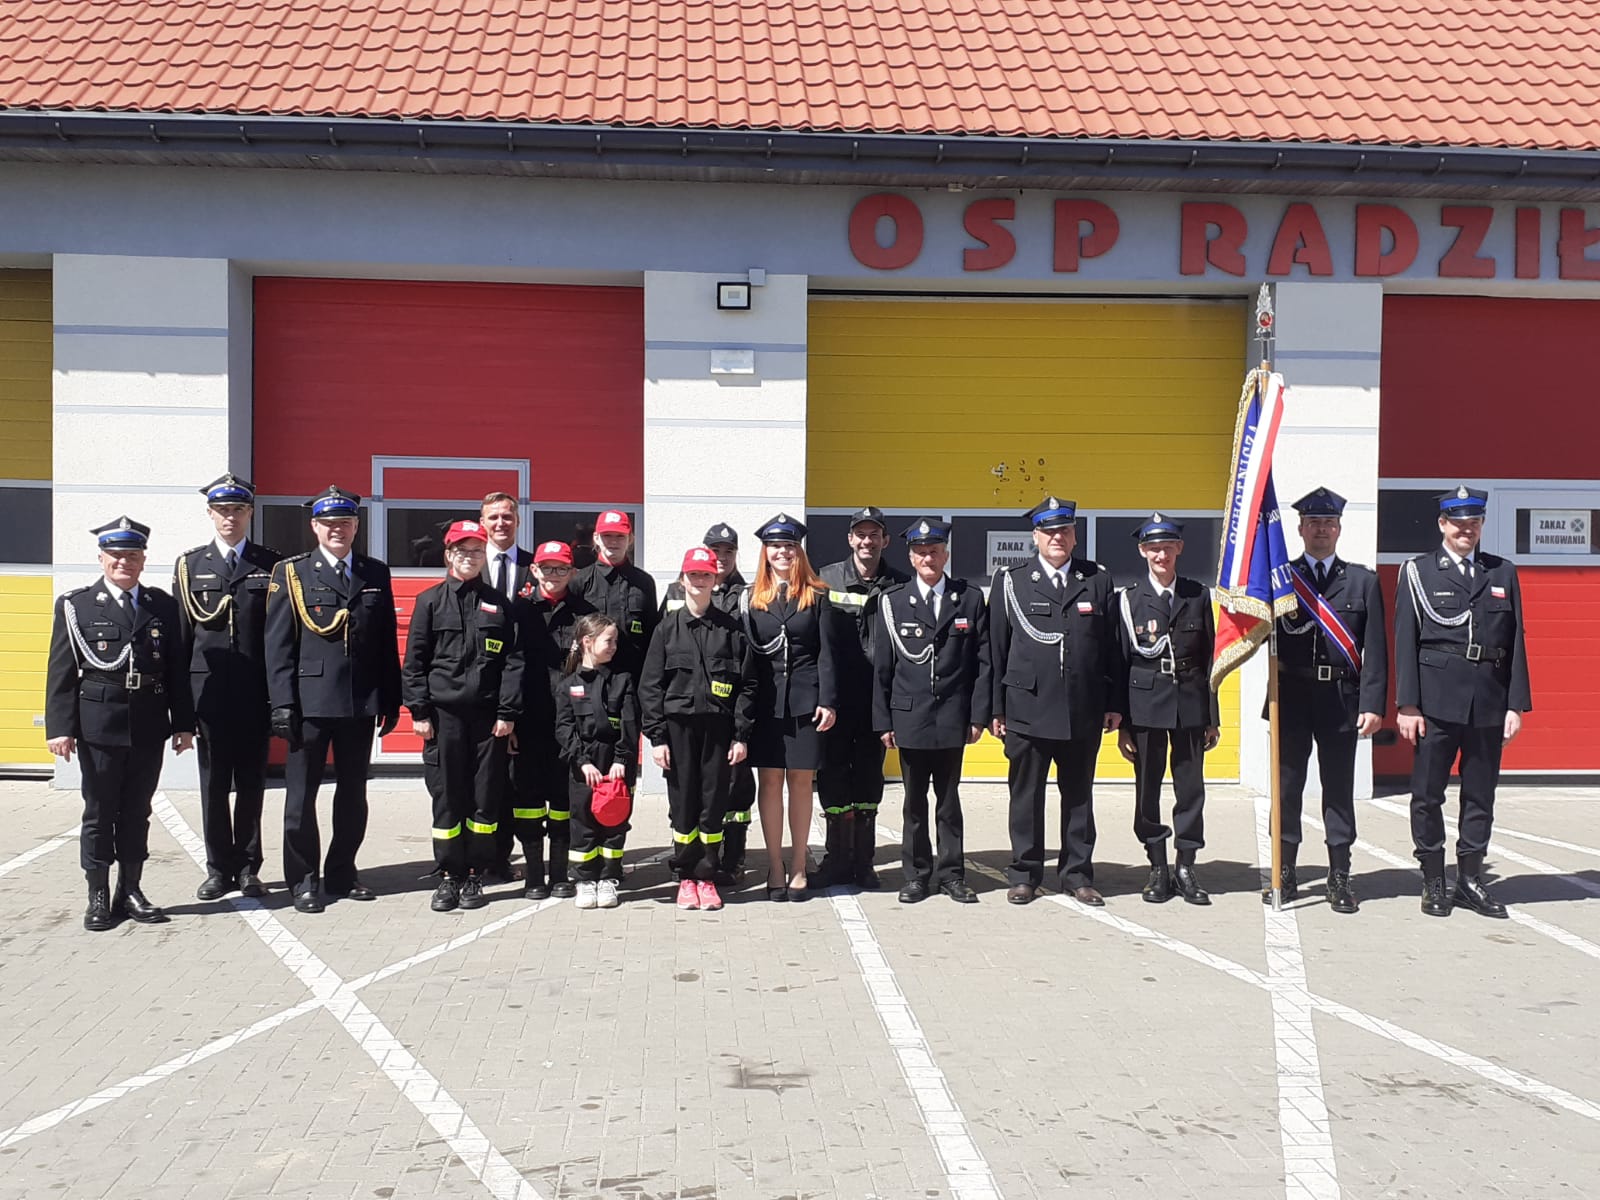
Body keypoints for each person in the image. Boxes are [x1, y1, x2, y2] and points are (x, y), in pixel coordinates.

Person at [46, 517, 195, 931]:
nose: (123, 562)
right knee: (99, 811)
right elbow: (61, 670)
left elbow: (177, 670)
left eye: (132, 555)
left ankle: (130, 890)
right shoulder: (76, 605)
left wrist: (183, 724)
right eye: (116, 555)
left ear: (143, 560)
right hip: (98, 723)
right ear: (101, 558)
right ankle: (97, 894)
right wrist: (59, 727)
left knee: (137, 811)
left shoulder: (162, 606)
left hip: (148, 720)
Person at [1395, 486, 1531, 919]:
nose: (1465, 530)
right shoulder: (1419, 572)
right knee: (1427, 794)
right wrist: (1408, 705)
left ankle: (1470, 880)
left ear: (1482, 524)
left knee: (1480, 795)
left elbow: (1516, 641)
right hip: (1436, 702)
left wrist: (1515, 705)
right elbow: (1405, 641)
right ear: (1442, 524)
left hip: (1488, 701)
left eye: (1473, 522)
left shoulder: (1502, 572)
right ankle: (1434, 877)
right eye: (1458, 522)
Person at [265, 485, 401, 914]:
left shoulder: (374, 573)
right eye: (329, 523)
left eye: (345, 522)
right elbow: (278, 645)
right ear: (315, 527)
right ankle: (303, 880)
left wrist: (390, 698)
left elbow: (385, 642)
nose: (337, 529)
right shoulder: (292, 573)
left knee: (353, 794)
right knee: (300, 798)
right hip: (308, 704)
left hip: (359, 702)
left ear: (356, 527)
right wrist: (282, 703)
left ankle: (342, 872)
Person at [989, 496, 1123, 907]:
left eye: (1064, 530)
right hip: (1027, 708)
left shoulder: (1096, 580)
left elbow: (1112, 648)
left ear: (1074, 535)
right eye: (1049, 532)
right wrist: (996, 709)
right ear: (1035, 537)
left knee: (1079, 796)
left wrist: (1114, 703)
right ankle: (1024, 874)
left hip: (1082, 709)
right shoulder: (1011, 581)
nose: (1057, 538)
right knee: (1026, 797)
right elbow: (995, 650)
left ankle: (1077, 874)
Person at [1268, 486, 1388, 914]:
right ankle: (1285, 871)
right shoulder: (1280, 580)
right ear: (1300, 529)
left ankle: (1339, 874)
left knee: (1338, 789)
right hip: (1291, 698)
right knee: (1286, 789)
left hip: (1341, 699)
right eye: (1314, 522)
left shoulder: (1362, 581)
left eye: (1329, 523)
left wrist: (1372, 704)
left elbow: (1376, 650)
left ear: (1339, 529)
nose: (1321, 529)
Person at [403, 520, 524, 913]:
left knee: (485, 799)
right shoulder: (429, 601)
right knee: (448, 798)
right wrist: (419, 711)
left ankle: (475, 873)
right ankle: (449, 875)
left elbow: (513, 662)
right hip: (443, 718)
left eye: (476, 551)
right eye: (462, 550)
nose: (469, 557)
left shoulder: (498, 604)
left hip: (488, 720)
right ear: (448, 555)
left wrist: (507, 712)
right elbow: (414, 661)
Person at [173, 473, 283, 901]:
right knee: (214, 785)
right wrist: (182, 714)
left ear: (250, 513)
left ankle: (249, 868)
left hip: (255, 694)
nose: (230, 518)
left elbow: (279, 639)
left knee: (253, 784)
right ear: (210, 514)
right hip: (210, 696)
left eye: (237, 509)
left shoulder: (270, 564)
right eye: (222, 510)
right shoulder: (190, 566)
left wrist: (279, 699)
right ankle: (218, 869)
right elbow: (182, 643)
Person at [872, 519, 990, 904]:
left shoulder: (969, 599)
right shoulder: (893, 602)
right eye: (921, 553)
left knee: (949, 801)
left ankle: (952, 875)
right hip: (910, 717)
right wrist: (883, 721)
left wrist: (978, 716)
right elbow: (884, 667)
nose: (928, 558)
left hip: (953, 716)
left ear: (946, 555)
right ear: (911, 557)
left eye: (934, 552)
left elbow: (982, 663)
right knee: (914, 803)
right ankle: (916, 876)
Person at [641, 546, 758, 911]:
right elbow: (650, 686)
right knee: (683, 805)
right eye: (693, 575)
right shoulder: (666, 629)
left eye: (706, 574)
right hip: (678, 731)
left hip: (718, 731)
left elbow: (748, 686)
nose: (699, 581)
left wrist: (740, 735)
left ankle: (706, 877)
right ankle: (686, 878)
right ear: (683, 579)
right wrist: (657, 738)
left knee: (713, 804)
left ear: (714, 579)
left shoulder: (731, 630)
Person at [1114, 515, 1220, 905]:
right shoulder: (1128, 600)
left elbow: (1210, 659)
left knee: (1190, 789)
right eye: (1154, 548)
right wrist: (1123, 724)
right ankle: (1157, 865)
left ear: (1179, 549)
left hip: (1190, 702)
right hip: (1144, 705)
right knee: (1148, 788)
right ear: (1143, 551)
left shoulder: (1197, 595)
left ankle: (1186, 865)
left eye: (1168, 547)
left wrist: (1212, 717)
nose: (1162, 555)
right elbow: (1119, 662)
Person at [741, 514, 838, 901]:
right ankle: (775, 865)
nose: (782, 552)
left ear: (799, 552)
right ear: (765, 553)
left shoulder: (817, 595)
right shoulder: (751, 598)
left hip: (805, 703)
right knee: (769, 782)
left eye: (789, 546)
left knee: (800, 782)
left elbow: (827, 653)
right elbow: (748, 658)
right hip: (766, 704)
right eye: (775, 546)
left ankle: (798, 864)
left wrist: (827, 700)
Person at [817, 506, 909, 889]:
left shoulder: (900, 584)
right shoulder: (826, 579)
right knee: (833, 776)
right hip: (837, 699)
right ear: (850, 539)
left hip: (878, 700)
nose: (867, 541)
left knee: (870, 778)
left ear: (885, 540)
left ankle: (864, 863)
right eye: (861, 534)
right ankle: (836, 860)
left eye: (874, 534)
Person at [511, 540, 595, 899]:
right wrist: (509, 718)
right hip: (529, 721)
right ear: (534, 570)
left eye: (561, 568)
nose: (553, 575)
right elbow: (508, 667)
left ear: (572, 572)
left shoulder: (584, 615)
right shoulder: (519, 611)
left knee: (563, 800)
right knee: (528, 801)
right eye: (547, 568)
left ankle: (559, 873)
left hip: (569, 724)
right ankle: (534, 875)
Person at [554, 614, 640, 909]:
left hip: (616, 766)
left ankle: (609, 878)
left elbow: (630, 724)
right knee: (583, 825)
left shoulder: (622, 681)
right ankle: (585, 880)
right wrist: (582, 762)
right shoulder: (568, 686)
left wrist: (622, 760)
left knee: (615, 824)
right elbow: (564, 729)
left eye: (616, 641)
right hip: (585, 767)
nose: (614, 646)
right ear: (587, 642)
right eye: (609, 641)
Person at [480, 490, 536, 881]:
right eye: (494, 517)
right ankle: (478, 857)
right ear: (482, 522)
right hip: (479, 691)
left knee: (517, 781)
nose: (501, 523)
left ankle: (507, 855)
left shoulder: (535, 568)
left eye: (507, 516)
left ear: (517, 521)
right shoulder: (468, 565)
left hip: (525, 690)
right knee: (483, 780)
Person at [570, 509, 658, 683]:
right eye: (607, 536)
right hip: (591, 679)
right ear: (596, 538)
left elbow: (652, 634)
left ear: (630, 539)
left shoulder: (644, 582)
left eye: (620, 536)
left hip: (634, 677)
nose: (613, 541)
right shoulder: (580, 581)